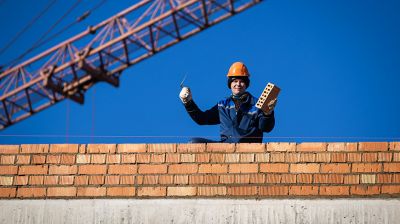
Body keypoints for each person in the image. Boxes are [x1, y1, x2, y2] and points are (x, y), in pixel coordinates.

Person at [179, 62, 276, 143]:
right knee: (194, 143)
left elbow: (266, 128)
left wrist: (268, 114)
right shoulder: (223, 105)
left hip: (250, 149)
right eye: (235, 81)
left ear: (246, 84)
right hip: (226, 148)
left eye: (241, 81)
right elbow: (202, 119)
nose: (238, 84)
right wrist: (188, 102)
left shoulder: (256, 104)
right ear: (230, 84)